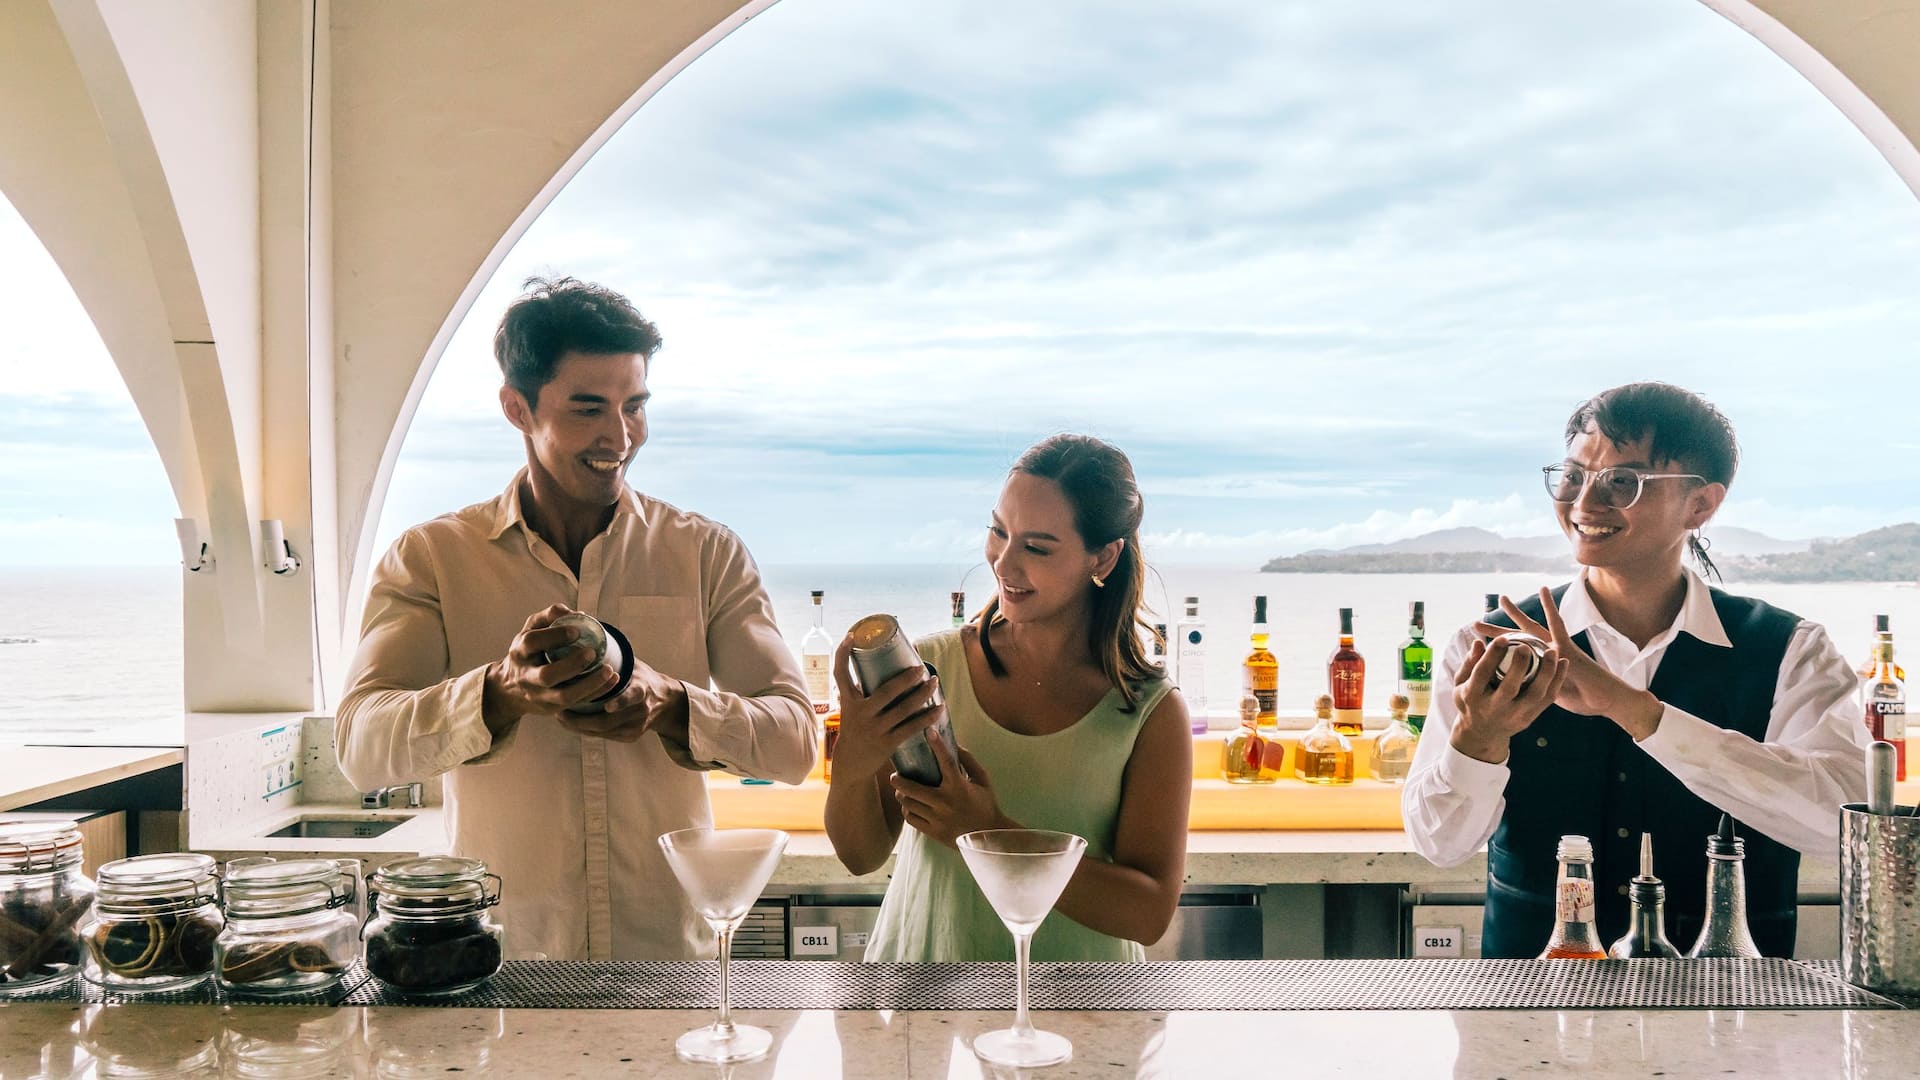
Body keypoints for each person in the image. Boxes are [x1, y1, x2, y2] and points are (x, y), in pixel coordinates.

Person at [335, 277, 814, 961]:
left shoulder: (706, 552)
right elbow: (359, 748)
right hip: (503, 961)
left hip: (670, 960)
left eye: (636, 406)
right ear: (517, 408)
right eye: (588, 408)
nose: (619, 436)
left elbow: (796, 742)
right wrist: (499, 694)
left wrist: (672, 703)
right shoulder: (430, 559)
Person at [1402, 381, 1868, 958]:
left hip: (1735, 1010)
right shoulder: (1489, 643)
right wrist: (1480, 739)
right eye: (1572, 477)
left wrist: (1632, 709)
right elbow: (1438, 844)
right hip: (1529, 1005)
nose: (1583, 504)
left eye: (1623, 482)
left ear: (1701, 504)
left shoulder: (1791, 651)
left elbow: (1845, 828)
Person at [824, 434, 1193, 961]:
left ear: (1104, 556)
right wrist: (854, 760)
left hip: (1076, 1007)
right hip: (928, 995)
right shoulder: (929, 670)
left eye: (1037, 547)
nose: (1004, 563)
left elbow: (1149, 913)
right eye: (999, 531)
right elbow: (860, 855)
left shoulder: (1149, 711)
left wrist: (983, 832)